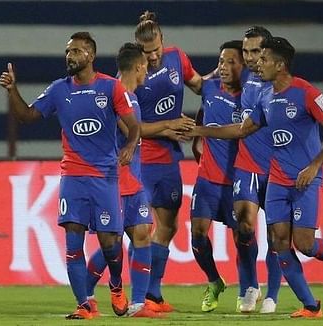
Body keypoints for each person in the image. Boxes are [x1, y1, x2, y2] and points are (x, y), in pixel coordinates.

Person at [0, 32, 140, 320]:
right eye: (67, 51)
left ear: (90, 55)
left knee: (110, 243)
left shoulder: (110, 88)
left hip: (104, 177)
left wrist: (128, 146)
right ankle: (85, 304)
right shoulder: (58, 90)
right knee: (73, 242)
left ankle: (115, 284)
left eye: (76, 51)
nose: (69, 56)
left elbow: (134, 126)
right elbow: (26, 116)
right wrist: (13, 90)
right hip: (72, 176)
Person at [84, 42, 191, 318]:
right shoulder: (117, 94)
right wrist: (168, 126)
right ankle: (84, 294)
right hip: (114, 180)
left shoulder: (129, 95)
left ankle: (140, 303)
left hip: (134, 179)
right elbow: (132, 129)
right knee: (114, 244)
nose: (148, 72)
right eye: (146, 67)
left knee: (142, 234)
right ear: (140, 67)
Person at [252, 36, 323, 318]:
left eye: (263, 59)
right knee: (279, 241)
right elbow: (242, 129)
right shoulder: (264, 96)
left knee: (306, 244)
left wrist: (314, 166)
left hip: (305, 181)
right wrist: (201, 132)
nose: (258, 64)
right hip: (277, 180)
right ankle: (311, 306)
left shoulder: (307, 92)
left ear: (280, 64)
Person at [192, 26, 281, 314]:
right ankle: (238, 285)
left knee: (273, 234)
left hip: (272, 168)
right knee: (237, 229)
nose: (250, 58)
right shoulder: (215, 86)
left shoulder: (274, 82)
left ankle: (271, 294)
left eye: (254, 52)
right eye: (246, 52)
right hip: (230, 173)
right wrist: (196, 138)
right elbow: (199, 86)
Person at [133, 10, 202, 312]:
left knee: (169, 227)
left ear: (163, 40)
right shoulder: (133, 73)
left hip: (170, 161)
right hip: (142, 161)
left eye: (156, 50)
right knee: (138, 229)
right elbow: (129, 126)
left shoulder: (177, 58)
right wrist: (168, 127)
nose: (153, 57)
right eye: (147, 53)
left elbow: (201, 85)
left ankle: (153, 295)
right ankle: (118, 291)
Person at [190, 40, 244, 312]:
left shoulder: (250, 97)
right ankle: (214, 281)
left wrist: (199, 133)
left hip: (238, 181)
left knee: (242, 238)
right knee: (197, 234)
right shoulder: (209, 89)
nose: (224, 67)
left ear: (244, 66)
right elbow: (189, 78)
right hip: (207, 178)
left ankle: (248, 287)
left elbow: (240, 131)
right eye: (221, 61)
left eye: (231, 61)